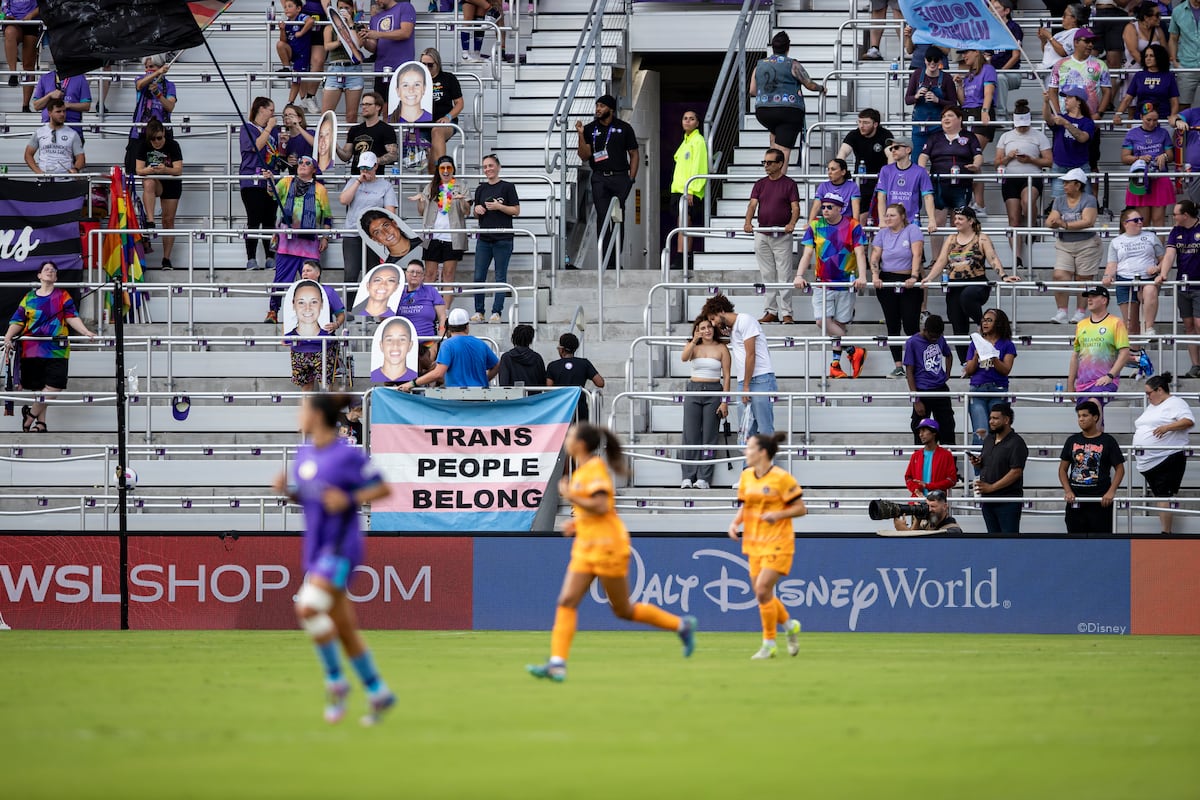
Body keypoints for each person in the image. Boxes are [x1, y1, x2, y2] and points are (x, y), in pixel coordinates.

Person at [526, 423, 697, 682]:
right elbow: (593, 510)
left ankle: (681, 625)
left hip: (607, 547)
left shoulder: (594, 469)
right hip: (587, 546)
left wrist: (572, 495)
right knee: (566, 601)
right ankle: (557, 664)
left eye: (571, 435)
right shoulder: (583, 471)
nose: (567, 438)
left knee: (623, 610)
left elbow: (601, 504)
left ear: (581, 444)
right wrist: (577, 522)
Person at [271, 393, 395, 726]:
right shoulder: (303, 456)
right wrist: (289, 493)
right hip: (315, 549)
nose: (299, 414)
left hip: (341, 547)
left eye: (303, 409)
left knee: (307, 607)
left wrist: (350, 497)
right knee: (344, 629)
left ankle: (335, 683)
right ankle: (377, 691)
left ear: (318, 416)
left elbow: (383, 489)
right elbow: (315, 499)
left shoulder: (345, 455)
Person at [727, 432, 806, 660]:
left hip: (779, 543)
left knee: (762, 589)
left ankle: (769, 643)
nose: (745, 452)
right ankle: (790, 625)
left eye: (749, 448)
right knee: (763, 594)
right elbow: (745, 506)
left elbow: (801, 508)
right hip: (753, 543)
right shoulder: (746, 477)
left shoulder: (782, 478)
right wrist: (734, 523)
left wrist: (778, 514)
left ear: (762, 452)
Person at [3, 261, 97, 433]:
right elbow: (18, 321)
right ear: (39, 275)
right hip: (32, 349)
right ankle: (41, 423)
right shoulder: (29, 298)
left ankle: (29, 415)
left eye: (53, 270)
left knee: (55, 384)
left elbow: (71, 317)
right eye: (46, 269)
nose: (50, 271)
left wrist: (85, 331)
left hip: (56, 348)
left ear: (56, 277)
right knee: (40, 388)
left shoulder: (63, 296)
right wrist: (8, 337)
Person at [922, 206, 1016, 364]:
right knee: (957, 323)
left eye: (960, 219)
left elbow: (993, 258)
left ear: (971, 221)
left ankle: (984, 325)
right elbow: (941, 261)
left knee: (967, 297)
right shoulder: (951, 238)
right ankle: (966, 363)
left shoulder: (982, 237)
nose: (956, 221)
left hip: (977, 282)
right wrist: (930, 278)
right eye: (955, 218)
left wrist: (1004, 275)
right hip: (955, 284)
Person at [795, 192, 869, 377]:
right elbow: (807, 254)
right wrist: (799, 275)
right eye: (823, 206)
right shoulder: (815, 226)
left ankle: (835, 365)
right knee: (822, 322)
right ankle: (853, 350)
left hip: (846, 283)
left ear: (840, 208)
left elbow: (860, 253)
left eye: (829, 207)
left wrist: (862, 276)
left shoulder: (853, 225)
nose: (825, 210)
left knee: (839, 325)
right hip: (823, 283)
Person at [265, 157, 332, 324]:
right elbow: (272, 192)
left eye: (307, 163)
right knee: (281, 279)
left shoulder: (320, 190)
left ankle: (314, 315)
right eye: (300, 162)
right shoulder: (286, 182)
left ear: (314, 169)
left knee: (310, 281)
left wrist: (325, 237)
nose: (302, 165)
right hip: (287, 243)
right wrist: (270, 180)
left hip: (309, 245)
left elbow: (327, 217)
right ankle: (273, 311)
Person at [576, 94, 638, 271]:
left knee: (617, 218)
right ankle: (606, 262)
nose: (598, 109)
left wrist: (631, 179)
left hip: (620, 178)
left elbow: (634, 154)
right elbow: (584, 155)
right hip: (600, 178)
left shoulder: (624, 128)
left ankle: (615, 260)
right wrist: (581, 135)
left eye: (602, 106)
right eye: (597, 106)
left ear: (610, 109)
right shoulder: (589, 129)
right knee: (603, 218)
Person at [702, 294, 776, 439]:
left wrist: (746, 386)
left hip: (760, 379)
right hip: (745, 381)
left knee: (765, 427)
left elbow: (751, 354)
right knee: (745, 430)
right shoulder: (734, 328)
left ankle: (767, 461)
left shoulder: (745, 320)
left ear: (722, 311)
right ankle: (748, 462)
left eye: (713, 318)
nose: (713, 323)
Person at [750, 32, 824, 172]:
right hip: (788, 110)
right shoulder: (792, 64)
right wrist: (822, 88)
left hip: (764, 111)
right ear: (787, 48)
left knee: (775, 142)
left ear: (772, 47)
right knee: (783, 150)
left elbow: (752, 90)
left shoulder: (759, 65)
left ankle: (770, 179)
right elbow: (810, 85)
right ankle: (779, 182)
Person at [745, 148, 801, 324]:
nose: (766, 166)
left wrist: (792, 224)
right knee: (767, 275)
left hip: (781, 235)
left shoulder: (789, 184)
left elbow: (796, 208)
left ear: (780, 164)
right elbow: (752, 205)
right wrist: (748, 222)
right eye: (764, 162)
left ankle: (787, 313)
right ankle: (771, 311)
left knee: (784, 275)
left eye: (769, 162)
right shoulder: (760, 183)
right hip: (762, 233)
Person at [1134, 373, 1195, 532]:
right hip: (1151, 460)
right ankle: (1165, 531)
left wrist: (1167, 427)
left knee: (1164, 495)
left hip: (1166, 457)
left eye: (1149, 393)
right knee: (1161, 496)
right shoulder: (1153, 406)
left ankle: (1166, 532)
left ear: (1159, 390)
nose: (1148, 397)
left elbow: (1188, 421)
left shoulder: (1176, 403)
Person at [994, 99, 1052, 269]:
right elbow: (997, 162)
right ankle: (1017, 257)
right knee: (1014, 219)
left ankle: (1032, 226)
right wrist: (1009, 157)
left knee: (1027, 202)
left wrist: (1031, 160)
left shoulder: (1038, 136)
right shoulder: (1006, 136)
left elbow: (1049, 161)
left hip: (1032, 176)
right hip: (1011, 178)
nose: (1022, 128)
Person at [870, 202, 924, 377]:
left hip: (908, 278)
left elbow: (917, 254)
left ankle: (915, 364)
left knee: (910, 324)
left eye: (892, 215)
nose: (888, 218)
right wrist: (875, 276)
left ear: (902, 217)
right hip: (887, 279)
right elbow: (875, 256)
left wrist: (914, 276)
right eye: (886, 215)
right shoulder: (882, 234)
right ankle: (898, 365)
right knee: (892, 324)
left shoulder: (912, 230)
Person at [679, 316, 731, 490]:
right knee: (691, 435)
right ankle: (688, 476)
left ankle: (703, 478)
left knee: (709, 435)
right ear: (697, 330)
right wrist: (694, 340)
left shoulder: (722, 348)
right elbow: (684, 358)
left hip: (714, 390)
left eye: (708, 327)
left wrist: (724, 401)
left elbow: (727, 376)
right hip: (694, 389)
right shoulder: (694, 346)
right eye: (702, 328)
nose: (706, 330)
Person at [1059, 400, 1126, 533]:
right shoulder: (1071, 440)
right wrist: (1068, 491)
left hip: (1100, 501)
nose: (1081, 419)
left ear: (1095, 417)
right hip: (1076, 501)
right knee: (1075, 542)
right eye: (1079, 416)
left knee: (1101, 542)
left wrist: (1111, 492)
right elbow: (1062, 469)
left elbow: (1120, 469)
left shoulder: (1108, 441)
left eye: (1085, 415)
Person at [1047, 167, 1101, 324]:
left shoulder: (1089, 199)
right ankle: (1062, 311)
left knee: (1083, 278)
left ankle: (1080, 312)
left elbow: (1088, 221)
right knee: (1059, 276)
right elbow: (1050, 220)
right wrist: (1055, 223)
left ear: (1078, 185)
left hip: (1087, 244)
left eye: (1067, 183)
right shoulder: (1059, 200)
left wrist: (1063, 224)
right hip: (1065, 243)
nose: (1064, 186)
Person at [338, 152, 397, 295]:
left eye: (368, 167)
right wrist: (358, 182)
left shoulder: (385, 185)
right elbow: (343, 200)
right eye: (362, 168)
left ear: (376, 166)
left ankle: (372, 307)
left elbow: (391, 212)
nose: (365, 171)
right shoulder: (353, 181)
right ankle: (350, 308)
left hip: (375, 236)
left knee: (373, 272)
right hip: (352, 232)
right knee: (351, 272)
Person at [1102, 207, 1165, 340]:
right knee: (1130, 324)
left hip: (1147, 278)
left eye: (1141, 219)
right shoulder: (1116, 241)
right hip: (1125, 279)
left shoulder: (1151, 237)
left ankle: (1149, 328)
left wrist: (1158, 269)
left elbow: (1164, 259)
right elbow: (1112, 263)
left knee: (1150, 290)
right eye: (1136, 220)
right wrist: (1108, 276)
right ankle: (1134, 355)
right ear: (1125, 223)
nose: (1140, 222)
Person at [917, 106, 983, 230]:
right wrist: (922, 168)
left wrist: (976, 165)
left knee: (959, 222)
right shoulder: (934, 137)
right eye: (943, 117)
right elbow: (923, 156)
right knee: (938, 221)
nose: (946, 118)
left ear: (959, 119)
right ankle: (938, 251)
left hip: (962, 185)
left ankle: (957, 249)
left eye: (950, 116)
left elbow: (978, 155)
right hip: (939, 185)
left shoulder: (969, 136)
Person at [472, 153, 520, 321]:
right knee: (479, 276)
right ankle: (479, 311)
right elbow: (475, 212)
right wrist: (476, 210)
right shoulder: (480, 189)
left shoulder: (507, 187)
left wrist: (500, 206)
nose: (488, 169)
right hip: (484, 239)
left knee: (500, 276)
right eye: (485, 167)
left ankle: (496, 312)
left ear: (498, 167)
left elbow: (516, 210)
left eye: (491, 166)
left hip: (503, 238)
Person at [400, 307, 498, 390]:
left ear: (449, 328)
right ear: (467, 327)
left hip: (456, 398)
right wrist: (484, 380)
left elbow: (438, 373)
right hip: (481, 396)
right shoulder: (480, 344)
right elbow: (497, 365)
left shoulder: (447, 345)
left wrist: (412, 383)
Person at [239, 96, 284, 272]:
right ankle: (251, 258)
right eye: (271, 110)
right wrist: (269, 128)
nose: (273, 114)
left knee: (270, 220)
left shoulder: (273, 131)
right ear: (261, 109)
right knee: (254, 219)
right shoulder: (248, 128)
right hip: (252, 180)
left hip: (271, 180)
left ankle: (270, 256)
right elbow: (255, 146)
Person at [1155, 200, 1200, 377]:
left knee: (1198, 323)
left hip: (1199, 284)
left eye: (1175, 214)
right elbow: (1170, 255)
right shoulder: (1176, 231)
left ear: (1185, 215)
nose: (1173, 217)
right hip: (1183, 284)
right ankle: (1196, 366)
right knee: (1188, 325)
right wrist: (1163, 274)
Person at [410, 155, 469, 290]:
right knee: (429, 274)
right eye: (442, 168)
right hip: (432, 236)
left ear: (453, 169)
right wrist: (420, 200)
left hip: (452, 236)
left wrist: (461, 200)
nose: (446, 171)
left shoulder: (461, 186)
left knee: (448, 275)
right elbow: (421, 212)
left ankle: (446, 310)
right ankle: (429, 309)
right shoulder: (430, 187)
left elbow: (467, 212)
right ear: (438, 170)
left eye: (449, 167)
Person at [968, 403, 1028, 533]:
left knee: (1009, 542)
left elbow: (1016, 471)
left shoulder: (1017, 443)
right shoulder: (989, 439)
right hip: (988, 500)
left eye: (995, 418)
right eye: (990, 418)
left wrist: (992, 487)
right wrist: (978, 463)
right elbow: (988, 463)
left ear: (1006, 420)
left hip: (1007, 501)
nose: (991, 422)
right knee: (992, 540)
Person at [1068, 286, 1131, 408]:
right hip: (1083, 383)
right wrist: (1070, 383)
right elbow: (1075, 355)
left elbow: (1124, 352)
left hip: (1105, 381)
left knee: (1092, 407)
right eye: (1088, 297)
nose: (1089, 300)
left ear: (1104, 300)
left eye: (1094, 297)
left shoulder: (1116, 322)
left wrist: (1110, 375)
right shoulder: (1081, 324)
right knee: (1087, 418)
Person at [964, 308, 1017, 450]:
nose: (985, 323)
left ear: (998, 323)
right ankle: (981, 471)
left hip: (998, 390)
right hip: (978, 390)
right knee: (981, 431)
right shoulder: (975, 343)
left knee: (998, 431)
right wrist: (976, 356)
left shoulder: (1007, 344)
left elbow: (1006, 369)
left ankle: (997, 468)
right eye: (984, 320)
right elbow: (968, 370)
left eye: (989, 320)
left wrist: (993, 357)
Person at [135, 118, 183, 271]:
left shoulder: (173, 145)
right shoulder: (143, 145)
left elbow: (178, 169)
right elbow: (138, 170)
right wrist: (148, 170)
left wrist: (165, 170)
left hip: (171, 182)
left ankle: (166, 259)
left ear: (164, 133)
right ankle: (150, 220)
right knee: (147, 181)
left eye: (159, 138)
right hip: (156, 181)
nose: (156, 142)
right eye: (153, 139)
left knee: (168, 221)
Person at [955, 47, 997, 214]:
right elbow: (964, 100)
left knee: (971, 156)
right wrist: (959, 85)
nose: (964, 56)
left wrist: (985, 111)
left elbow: (989, 93)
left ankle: (980, 204)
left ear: (976, 52)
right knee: (969, 160)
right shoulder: (969, 74)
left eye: (966, 52)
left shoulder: (988, 69)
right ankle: (977, 203)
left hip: (980, 112)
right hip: (966, 113)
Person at [903, 314, 956, 445]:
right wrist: (916, 399)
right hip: (922, 390)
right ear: (924, 330)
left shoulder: (940, 338)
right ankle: (921, 464)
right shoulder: (912, 342)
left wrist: (947, 373)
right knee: (920, 431)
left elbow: (949, 355)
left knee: (947, 429)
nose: (934, 339)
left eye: (936, 337)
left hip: (940, 389)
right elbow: (909, 371)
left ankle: (949, 464)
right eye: (931, 336)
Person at [1121, 103, 1174, 230]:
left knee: (1158, 220)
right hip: (1140, 180)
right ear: (1141, 117)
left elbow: (1171, 155)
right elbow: (1124, 158)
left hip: (1160, 178)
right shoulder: (1132, 134)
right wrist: (1139, 158)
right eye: (1148, 120)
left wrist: (1165, 157)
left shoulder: (1163, 133)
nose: (1152, 123)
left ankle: (1160, 250)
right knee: (1143, 222)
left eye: (1155, 120)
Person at [835, 108, 892, 226]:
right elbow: (843, 153)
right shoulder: (854, 135)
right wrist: (838, 169)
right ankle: (861, 243)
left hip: (881, 182)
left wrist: (888, 175)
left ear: (875, 124)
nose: (861, 126)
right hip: (861, 182)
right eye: (859, 122)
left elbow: (891, 156)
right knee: (860, 220)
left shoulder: (885, 135)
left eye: (866, 123)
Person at [125, 56, 178, 180]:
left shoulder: (169, 85)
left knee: (162, 174)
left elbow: (170, 106)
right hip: (140, 134)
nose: (148, 70)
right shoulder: (141, 80)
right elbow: (139, 85)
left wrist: (158, 94)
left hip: (161, 135)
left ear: (160, 66)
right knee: (134, 171)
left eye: (151, 67)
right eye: (146, 67)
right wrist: (157, 73)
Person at [1047, 28, 1114, 124]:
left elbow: (1107, 92)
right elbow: (1052, 91)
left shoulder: (1100, 65)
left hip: (1089, 119)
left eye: (1092, 42)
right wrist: (1058, 114)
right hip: (1065, 120)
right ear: (1076, 42)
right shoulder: (1060, 64)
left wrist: (1099, 114)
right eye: (1086, 41)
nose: (1090, 45)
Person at [1044, 87, 1095, 205]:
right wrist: (1046, 103)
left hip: (1080, 167)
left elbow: (1082, 138)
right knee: (1059, 203)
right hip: (1059, 167)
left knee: (1085, 203)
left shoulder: (1087, 122)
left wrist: (1066, 123)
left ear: (1079, 101)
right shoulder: (1061, 117)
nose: (1065, 100)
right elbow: (1048, 119)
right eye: (1065, 97)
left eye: (1069, 97)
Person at [670, 110, 707, 269]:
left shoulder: (698, 141)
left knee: (685, 224)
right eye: (685, 118)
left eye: (692, 119)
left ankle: (683, 257)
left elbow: (699, 166)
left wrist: (692, 189)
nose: (687, 121)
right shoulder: (685, 141)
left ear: (697, 123)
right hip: (678, 190)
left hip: (689, 191)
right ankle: (682, 256)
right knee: (681, 224)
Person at [875, 137, 936, 233]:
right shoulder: (886, 170)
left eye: (897, 147)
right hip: (890, 223)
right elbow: (881, 196)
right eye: (891, 148)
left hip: (912, 222)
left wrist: (932, 220)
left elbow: (928, 197)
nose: (893, 151)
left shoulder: (920, 171)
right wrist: (882, 220)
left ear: (908, 150)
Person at [285, 279, 338, 390]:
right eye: (301, 302)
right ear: (293, 305)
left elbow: (341, 313)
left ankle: (327, 408)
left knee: (328, 386)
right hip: (298, 350)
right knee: (306, 388)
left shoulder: (329, 291)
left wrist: (336, 324)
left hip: (323, 349)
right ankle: (308, 407)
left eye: (314, 302)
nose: (307, 308)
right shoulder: (290, 334)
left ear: (321, 304)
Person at [906, 46, 957, 159]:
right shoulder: (917, 74)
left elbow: (954, 104)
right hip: (919, 126)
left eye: (935, 60)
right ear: (925, 60)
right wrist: (916, 96)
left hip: (939, 126)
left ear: (940, 61)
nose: (932, 63)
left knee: (939, 161)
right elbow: (907, 100)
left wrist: (937, 100)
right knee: (916, 160)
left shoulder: (947, 78)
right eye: (929, 59)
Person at [395, 260, 446, 369]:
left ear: (423, 276)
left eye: (418, 273)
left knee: (423, 358)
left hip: (428, 340)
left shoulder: (431, 291)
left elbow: (442, 317)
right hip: (403, 342)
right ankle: (430, 373)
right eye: (411, 272)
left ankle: (428, 371)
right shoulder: (397, 294)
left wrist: (440, 338)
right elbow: (385, 318)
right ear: (406, 274)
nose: (414, 275)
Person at [321, 0, 366, 123]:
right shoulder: (330, 27)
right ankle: (328, 142)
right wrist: (340, 41)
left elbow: (359, 44)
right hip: (335, 68)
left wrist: (350, 24)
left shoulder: (358, 27)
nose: (344, 10)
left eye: (347, 7)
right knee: (326, 114)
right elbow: (327, 46)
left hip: (353, 69)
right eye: (341, 8)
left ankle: (349, 142)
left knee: (351, 115)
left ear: (352, 9)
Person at [546, 332, 604, 423]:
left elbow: (548, 388)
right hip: (579, 407)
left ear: (562, 349)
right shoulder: (584, 363)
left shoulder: (553, 366)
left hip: (560, 409)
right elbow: (600, 382)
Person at [1113, 43, 1178, 124]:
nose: (1148, 58)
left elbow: (1174, 102)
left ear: (1159, 57)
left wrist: (1173, 116)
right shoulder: (1139, 75)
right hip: (1140, 120)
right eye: (1146, 56)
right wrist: (1118, 114)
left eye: (1151, 56)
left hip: (1162, 121)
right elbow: (1127, 99)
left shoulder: (1169, 76)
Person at [363, 0, 416, 97]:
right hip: (381, 69)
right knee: (382, 106)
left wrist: (378, 34)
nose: (376, 1)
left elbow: (406, 32)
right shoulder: (374, 18)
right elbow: (373, 47)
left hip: (402, 68)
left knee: (401, 106)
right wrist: (364, 40)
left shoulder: (405, 7)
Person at [420, 49, 463, 168]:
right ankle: (437, 181)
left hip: (444, 121)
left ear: (438, 64)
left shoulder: (448, 78)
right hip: (422, 124)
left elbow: (459, 103)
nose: (427, 68)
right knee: (430, 163)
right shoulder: (416, 80)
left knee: (437, 130)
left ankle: (443, 167)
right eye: (423, 65)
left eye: (430, 65)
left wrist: (448, 117)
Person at [336, 92, 398, 173]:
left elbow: (393, 155)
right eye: (363, 104)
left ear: (378, 107)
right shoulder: (355, 129)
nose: (364, 107)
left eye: (368, 104)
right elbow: (346, 156)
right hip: (356, 177)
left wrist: (373, 161)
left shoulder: (386, 129)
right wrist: (336, 147)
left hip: (375, 178)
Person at [24, 97, 84, 177]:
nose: (62, 114)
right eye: (58, 111)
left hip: (66, 181)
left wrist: (76, 169)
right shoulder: (39, 132)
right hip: (44, 180)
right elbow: (28, 154)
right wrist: (38, 171)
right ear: (49, 113)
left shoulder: (73, 134)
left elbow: (80, 157)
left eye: (64, 111)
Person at [31, 63, 91, 139]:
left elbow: (86, 106)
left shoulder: (80, 78)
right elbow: (36, 106)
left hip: (72, 129)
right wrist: (49, 96)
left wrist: (67, 105)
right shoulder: (45, 78)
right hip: (48, 130)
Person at [393, 61, 432, 171]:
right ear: (397, 90)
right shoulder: (393, 117)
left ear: (424, 88)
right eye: (405, 85)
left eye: (417, 84)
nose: (411, 90)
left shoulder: (430, 118)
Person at [904, 418, 959, 497]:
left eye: (924, 430)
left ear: (934, 432)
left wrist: (929, 486)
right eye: (920, 431)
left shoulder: (946, 455)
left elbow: (952, 480)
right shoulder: (915, 455)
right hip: (917, 502)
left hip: (937, 503)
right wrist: (915, 489)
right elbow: (908, 478)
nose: (920, 434)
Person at [277, 0, 317, 108]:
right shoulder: (287, 22)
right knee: (280, 44)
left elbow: (310, 21)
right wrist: (282, 30)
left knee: (296, 78)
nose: (286, 9)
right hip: (292, 52)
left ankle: (291, 102)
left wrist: (301, 32)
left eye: (290, 6)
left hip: (302, 54)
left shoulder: (301, 17)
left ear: (298, 9)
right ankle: (286, 67)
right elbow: (283, 40)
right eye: (285, 7)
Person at [989, 0, 1024, 120]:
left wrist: (1000, 71)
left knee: (1000, 78)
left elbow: (1016, 56)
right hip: (993, 72)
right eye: (991, 8)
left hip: (1012, 73)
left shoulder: (1014, 28)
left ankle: (1000, 115)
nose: (992, 10)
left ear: (1006, 11)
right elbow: (987, 54)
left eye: (997, 8)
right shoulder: (991, 29)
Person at [2, 0, 39, 111]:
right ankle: (13, 73)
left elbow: (44, 5)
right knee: (10, 32)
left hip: (32, 21)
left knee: (28, 64)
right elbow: (4, 4)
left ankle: (25, 105)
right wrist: (8, 15)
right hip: (14, 20)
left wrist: (31, 15)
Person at [1169, 0, 1200, 109]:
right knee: (1183, 104)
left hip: (1188, 65)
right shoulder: (1178, 11)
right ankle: (1184, 126)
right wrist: (1174, 61)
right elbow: (1173, 38)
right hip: (1186, 65)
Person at [810, 158, 861, 222]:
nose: (829, 172)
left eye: (833, 169)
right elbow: (816, 207)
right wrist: (810, 223)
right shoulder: (823, 186)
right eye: (828, 169)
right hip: (827, 225)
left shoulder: (852, 186)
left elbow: (855, 211)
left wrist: (855, 227)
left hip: (845, 225)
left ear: (843, 172)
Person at [891, 489, 964, 535]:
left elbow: (924, 545)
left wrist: (904, 531)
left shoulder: (953, 530)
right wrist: (917, 520)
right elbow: (915, 534)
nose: (929, 510)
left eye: (933, 506)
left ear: (944, 507)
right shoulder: (929, 522)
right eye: (927, 506)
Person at [371, 316, 418, 384]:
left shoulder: (412, 373)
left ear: (410, 345)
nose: (395, 345)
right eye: (389, 340)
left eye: (402, 340)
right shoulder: (375, 374)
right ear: (381, 345)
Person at [279, 103, 316, 175]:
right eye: (285, 115)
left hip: (312, 176)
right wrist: (288, 161)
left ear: (299, 118)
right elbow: (281, 166)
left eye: (291, 115)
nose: (287, 117)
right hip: (295, 177)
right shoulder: (284, 138)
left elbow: (316, 145)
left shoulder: (310, 133)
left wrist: (298, 126)